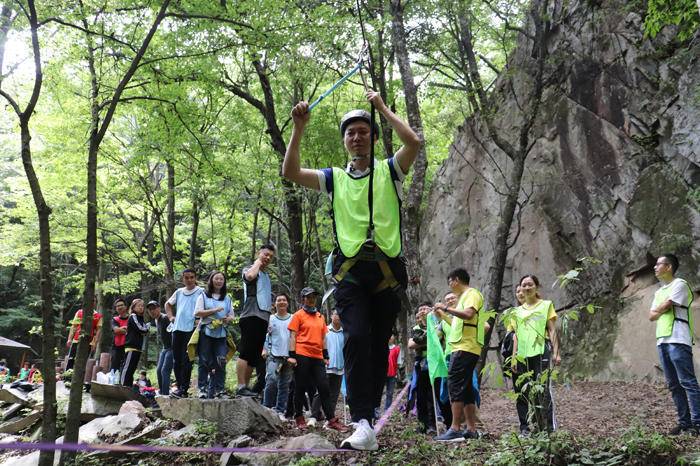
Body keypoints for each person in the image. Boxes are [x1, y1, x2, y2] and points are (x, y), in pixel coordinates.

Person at [283, 89, 421, 450]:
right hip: (350, 274)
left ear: (373, 138)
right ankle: (361, 420)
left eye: (363, 131)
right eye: (350, 133)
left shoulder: (390, 170)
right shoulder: (335, 178)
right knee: (356, 337)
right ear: (345, 141)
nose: (357, 137)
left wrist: (382, 108)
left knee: (376, 348)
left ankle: (368, 420)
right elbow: (291, 172)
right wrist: (299, 128)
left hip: (388, 273)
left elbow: (414, 142)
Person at [649, 253, 699, 435]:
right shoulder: (658, 291)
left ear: (668, 267)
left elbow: (667, 305)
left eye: (658, 264)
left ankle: (697, 423)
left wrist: (662, 307)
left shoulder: (681, 284)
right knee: (673, 385)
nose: (655, 267)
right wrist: (663, 307)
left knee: (688, 382)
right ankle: (684, 423)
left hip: (678, 339)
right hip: (662, 340)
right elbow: (651, 315)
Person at [432, 268, 484, 441]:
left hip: (465, 347)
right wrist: (443, 314)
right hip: (462, 347)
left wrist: (446, 308)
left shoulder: (472, 293)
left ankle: (454, 428)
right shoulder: (463, 299)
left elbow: (469, 315)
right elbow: (456, 323)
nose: (450, 285)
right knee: (466, 388)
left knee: (454, 384)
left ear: (456, 280)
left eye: (450, 281)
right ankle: (470, 429)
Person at [287, 287, 348, 432]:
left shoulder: (320, 317)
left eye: (313, 297)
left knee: (324, 387)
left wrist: (326, 355)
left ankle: (331, 419)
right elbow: (293, 336)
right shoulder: (298, 315)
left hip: (317, 356)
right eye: (308, 297)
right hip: (301, 354)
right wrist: (291, 355)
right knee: (300, 387)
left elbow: (323, 338)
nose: (311, 299)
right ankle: (299, 417)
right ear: (303, 299)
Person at [509, 275, 560, 435]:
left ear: (537, 287)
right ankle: (537, 426)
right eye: (524, 285)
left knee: (543, 390)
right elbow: (515, 335)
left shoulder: (545, 305)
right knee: (529, 390)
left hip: (540, 350)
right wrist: (514, 357)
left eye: (530, 284)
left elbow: (552, 329)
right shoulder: (516, 311)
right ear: (521, 288)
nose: (527, 287)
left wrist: (556, 353)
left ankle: (549, 429)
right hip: (523, 354)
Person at [238, 244, 276, 397]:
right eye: (265, 254)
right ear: (258, 253)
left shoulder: (266, 276)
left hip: (262, 318)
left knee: (254, 357)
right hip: (250, 315)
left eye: (270, 257)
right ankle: (240, 386)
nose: (267, 258)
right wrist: (258, 262)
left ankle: (245, 388)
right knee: (245, 352)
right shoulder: (250, 269)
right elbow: (250, 277)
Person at [195, 271, 234, 399]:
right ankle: (202, 389)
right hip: (206, 331)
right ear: (211, 281)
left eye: (221, 279)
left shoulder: (227, 298)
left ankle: (220, 390)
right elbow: (197, 312)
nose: (219, 281)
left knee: (221, 361)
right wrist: (214, 310)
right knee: (204, 360)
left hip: (221, 333)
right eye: (216, 279)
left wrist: (228, 319)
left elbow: (231, 315)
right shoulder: (204, 295)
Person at [165, 269, 204, 398]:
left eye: (191, 277)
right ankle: (180, 387)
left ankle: (184, 388)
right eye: (186, 277)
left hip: (192, 329)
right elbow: (168, 304)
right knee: (176, 360)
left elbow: (205, 307)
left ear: (195, 278)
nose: (189, 280)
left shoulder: (201, 291)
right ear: (183, 279)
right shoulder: (179, 292)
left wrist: (200, 320)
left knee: (187, 359)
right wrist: (171, 317)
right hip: (177, 329)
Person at [263, 292, 294, 418]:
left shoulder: (293, 318)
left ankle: (280, 411)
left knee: (284, 385)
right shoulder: (270, 319)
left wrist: (295, 355)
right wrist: (264, 349)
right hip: (273, 354)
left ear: (287, 303)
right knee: (271, 380)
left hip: (289, 356)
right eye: (279, 300)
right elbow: (264, 335)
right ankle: (266, 409)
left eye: (284, 300)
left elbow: (296, 336)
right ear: (275, 304)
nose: (281, 302)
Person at [312, 309, 345, 422]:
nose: (338, 316)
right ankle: (314, 415)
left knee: (334, 394)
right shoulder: (325, 330)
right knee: (321, 391)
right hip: (326, 366)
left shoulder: (344, 333)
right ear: (331, 316)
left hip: (340, 367)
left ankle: (330, 418)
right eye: (336, 314)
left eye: (340, 314)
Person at [409, 305, 437, 434]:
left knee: (433, 395)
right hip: (421, 363)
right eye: (420, 309)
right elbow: (411, 344)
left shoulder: (437, 324)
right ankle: (422, 424)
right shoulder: (416, 328)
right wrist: (429, 339)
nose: (422, 311)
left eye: (425, 308)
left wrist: (424, 340)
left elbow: (439, 339)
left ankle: (433, 424)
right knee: (420, 395)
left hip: (435, 362)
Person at [120, 299, 150, 387]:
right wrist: (147, 328)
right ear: (133, 307)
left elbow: (143, 332)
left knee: (132, 369)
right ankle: (123, 386)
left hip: (138, 347)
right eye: (139, 306)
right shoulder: (133, 316)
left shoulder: (141, 318)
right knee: (127, 368)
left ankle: (128, 387)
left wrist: (145, 329)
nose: (141, 307)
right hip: (131, 346)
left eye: (142, 306)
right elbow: (141, 329)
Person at [66, 301, 103, 370]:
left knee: (83, 361)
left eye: (93, 301)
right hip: (76, 340)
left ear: (95, 303)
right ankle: (67, 379)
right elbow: (74, 326)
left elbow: (98, 331)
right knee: (71, 359)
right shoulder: (79, 312)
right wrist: (69, 339)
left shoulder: (98, 316)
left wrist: (94, 343)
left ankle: (78, 379)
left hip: (89, 342)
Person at [147, 300, 173, 395]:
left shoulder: (165, 318)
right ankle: (162, 391)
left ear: (159, 308)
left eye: (154, 308)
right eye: (150, 310)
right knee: (158, 370)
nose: (152, 311)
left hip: (172, 348)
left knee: (165, 370)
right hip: (165, 348)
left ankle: (165, 394)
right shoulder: (156, 320)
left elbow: (173, 331)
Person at [111, 298, 130, 373]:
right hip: (117, 347)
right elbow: (116, 330)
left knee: (126, 367)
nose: (119, 307)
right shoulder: (114, 319)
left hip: (128, 346)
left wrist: (121, 329)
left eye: (121, 305)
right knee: (114, 367)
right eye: (117, 306)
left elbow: (133, 331)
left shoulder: (131, 318)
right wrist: (125, 329)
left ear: (126, 306)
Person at [384, 334, 402, 411]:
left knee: (390, 393)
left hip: (392, 374)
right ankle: (376, 411)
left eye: (391, 337)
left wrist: (396, 373)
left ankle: (387, 409)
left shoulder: (397, 349)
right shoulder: (383, 348)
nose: (390, 339)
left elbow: (398, 363)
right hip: (382, 374)